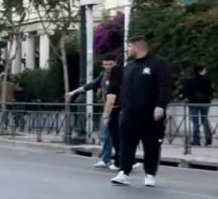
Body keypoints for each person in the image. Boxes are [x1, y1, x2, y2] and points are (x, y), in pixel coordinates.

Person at [112, 36, 171, 187]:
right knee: (126, 143)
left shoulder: (158, 63)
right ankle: (124, 172)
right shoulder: (129, 67)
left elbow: (165, 85)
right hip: (129, 113)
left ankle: (150, 174)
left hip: (151, 114)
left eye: (130, 46)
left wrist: (160, 105)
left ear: (138, 48)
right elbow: (123, 90)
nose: (128, 49)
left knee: (151, 145)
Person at [66, 54, 122, 168]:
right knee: (108, 135)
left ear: (115, 63)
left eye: (110, 64)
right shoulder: (103, 75)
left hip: (117, 109)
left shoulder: (120, 75)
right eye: (105, 64)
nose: (107, 67)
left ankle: (116, 159)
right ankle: (110, 159)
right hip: (107, 107)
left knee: (113, 136)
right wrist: (74, 92)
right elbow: (90, 85)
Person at [183, 65, 213, 147]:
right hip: (205, 103)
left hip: (193, 103)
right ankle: (208, 138)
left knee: (195, 122)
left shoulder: (190, 81)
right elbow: (210, 91)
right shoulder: (207, 80)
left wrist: (188, 98)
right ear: (201, 71)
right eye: (204, 70)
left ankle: (196, 140)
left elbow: (186, 91)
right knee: (205, 119)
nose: (205, 71)